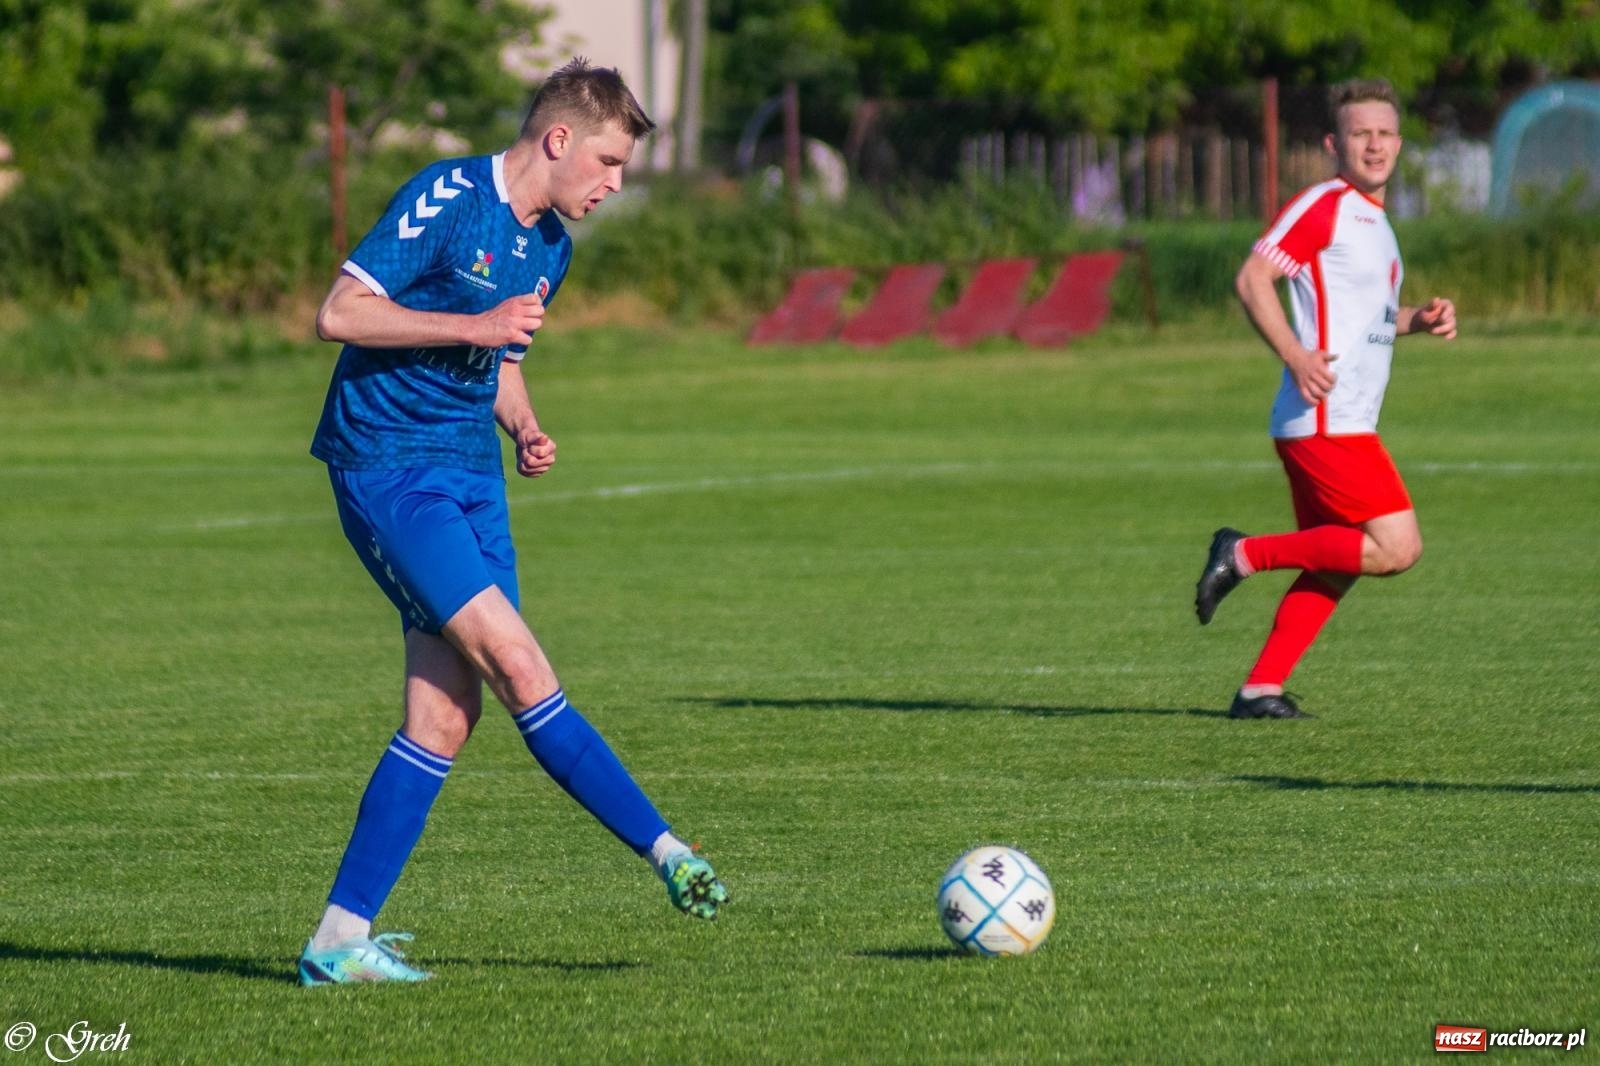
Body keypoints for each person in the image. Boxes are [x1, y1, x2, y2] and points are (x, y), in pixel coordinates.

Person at [297, 58, 727, 986]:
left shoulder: (552, 244)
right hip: (388, 470)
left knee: (448, 717)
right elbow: (340, 312)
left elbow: (506, 350)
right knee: (523, 666)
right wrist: (473, 329)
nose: (614, 185)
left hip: (471, 476)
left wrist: (523, 422)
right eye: (609, 163)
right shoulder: (448, 195)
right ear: (560, 139)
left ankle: (338, 942)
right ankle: (668, 852)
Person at [1194, 78, 1458, 720]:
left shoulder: (1376, 222)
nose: (1375, 144)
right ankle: (1243, 552)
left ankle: (1260, 689)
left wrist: (1414, 320)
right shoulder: (1324, 203)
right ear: (1333, 143)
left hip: (1344, 417)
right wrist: (1294, 354)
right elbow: (1253, 276)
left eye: (1385, 132)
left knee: (1340, 560)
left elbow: (1362, 315)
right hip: (1325, 419)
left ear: (1399, 142)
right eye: (1360, 133)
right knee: (1397, 549)